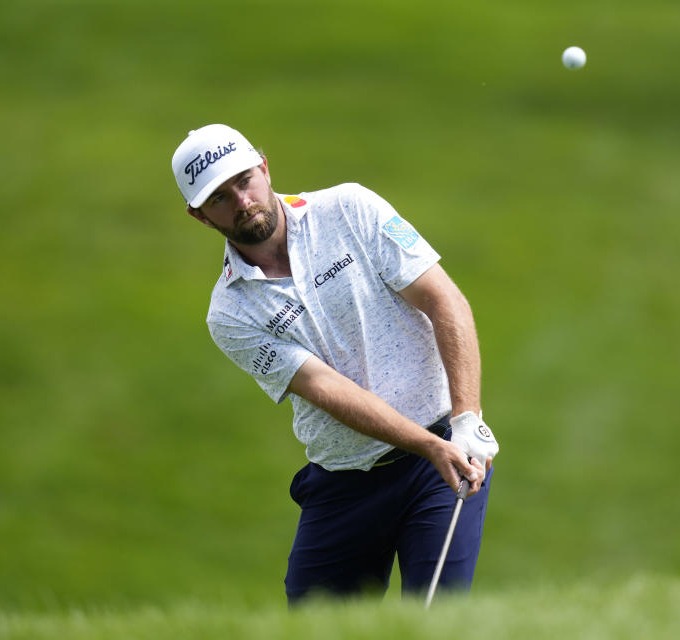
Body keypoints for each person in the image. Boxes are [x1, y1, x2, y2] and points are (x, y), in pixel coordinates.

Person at [170, 124, 500, 605]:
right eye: (220, 198)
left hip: (444, 459)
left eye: (244, 181)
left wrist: (465, 422)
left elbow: (442, 299)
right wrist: (428, 444)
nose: (242, 202)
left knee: (437, 617)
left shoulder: (349, 208)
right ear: (199, 216)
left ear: (264, 167)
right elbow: (327, 389)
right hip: (345, 483)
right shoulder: (230, 313)